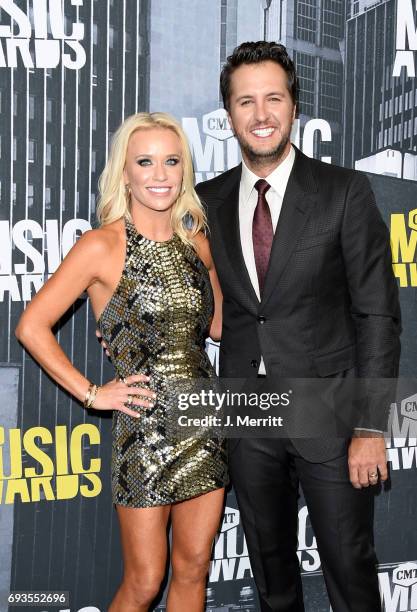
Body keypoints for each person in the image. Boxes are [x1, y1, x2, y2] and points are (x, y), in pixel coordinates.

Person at [195, 42, 401, 612]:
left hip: (329, 411)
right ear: (228, 114)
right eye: (245, 102)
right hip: (247, 416)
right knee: (272, 580)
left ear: (294, 107)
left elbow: (377, 316)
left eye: (273, 99)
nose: (260, 115)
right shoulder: (206, 201)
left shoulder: (343, 192)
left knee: (350, 571)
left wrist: (370, 428)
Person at [15, 112, 228, 612]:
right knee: (145, 581)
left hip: (204, 424)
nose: (160, 174)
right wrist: (93, 393)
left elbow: (220, 326)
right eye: (145, 162)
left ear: (184, 170)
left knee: (194, 567)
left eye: (171, 161)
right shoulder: (101, 245)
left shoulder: (196, 240)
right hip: (146, 431)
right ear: (125, 173)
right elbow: (31, 326)